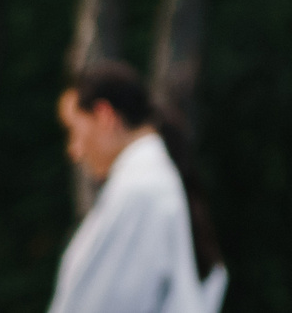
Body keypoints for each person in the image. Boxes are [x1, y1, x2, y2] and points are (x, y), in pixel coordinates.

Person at [48, 61, 227, 313]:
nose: (73, 150)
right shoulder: (145, 183)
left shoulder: (140, 192)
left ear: (104, 116)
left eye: (74, 130)